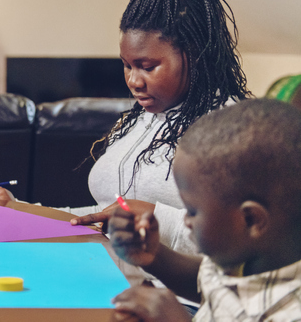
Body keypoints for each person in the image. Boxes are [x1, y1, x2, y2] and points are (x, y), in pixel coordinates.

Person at [0, 0, 251, 253]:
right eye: (126, 66)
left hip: (176, 294)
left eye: (148, 67)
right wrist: (15, 207)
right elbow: (98, 217)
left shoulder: (229, 128)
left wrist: (153, 216)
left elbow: (243, 242)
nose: (134, 81)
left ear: (195, 55)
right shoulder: (143, 120)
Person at [108, 99, 301, 321]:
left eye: (192, 211)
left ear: (251, 220)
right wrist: (154, 257)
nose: (186, 221)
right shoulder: (243, 257)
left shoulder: (290, 311)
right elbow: (205, 280)